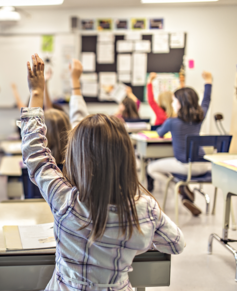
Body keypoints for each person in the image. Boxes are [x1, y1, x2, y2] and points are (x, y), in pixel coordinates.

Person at [22, 53, 185, 291]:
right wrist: (140, 239)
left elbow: (35, 155)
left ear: (76, 157)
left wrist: (36, 94)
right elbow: (176, 244)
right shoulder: (144, 209)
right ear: (125, 158)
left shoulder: (65, 201)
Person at [147, 71, 213, 216]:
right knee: (172, 167)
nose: (172, 103)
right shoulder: (199, 118)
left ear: (181, 103)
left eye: (174, 100)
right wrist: (208, 82)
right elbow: (206, 100)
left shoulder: (172, 122)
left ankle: (181, 191)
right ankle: (183, 189)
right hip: (204, 165)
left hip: (185, 166)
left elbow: (159, 133)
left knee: (151, 168)